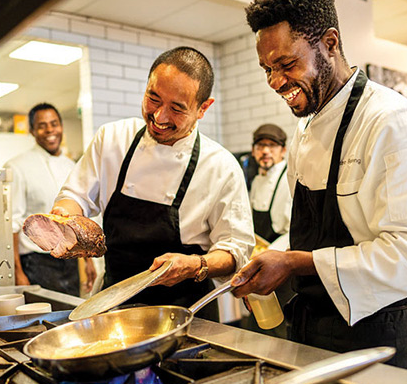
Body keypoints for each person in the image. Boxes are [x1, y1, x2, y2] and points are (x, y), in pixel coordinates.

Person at [232, 0, 407, 371]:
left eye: (286, 64)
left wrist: (296, 264)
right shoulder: (303, 130)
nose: (275, 82)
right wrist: (273, 266)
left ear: (330, 44)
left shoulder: (389, 121)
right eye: (267, 69)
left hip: (377, 336)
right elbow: (311, 234)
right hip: (311, 328)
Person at [51, 47, 254, 320]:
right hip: (114, 309)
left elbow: (235, 250)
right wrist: (63, 218)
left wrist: (195, 265)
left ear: (203, 108)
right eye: (153, 98)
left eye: (177, 108)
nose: (159, 117)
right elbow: (75, 197)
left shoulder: (221, 166)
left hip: (188, 316)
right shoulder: (112, 139)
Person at [5, 103, 96, 295]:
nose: (49, 130)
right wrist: (18, 272)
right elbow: (12, 224)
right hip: (36, 262)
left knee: (71, 310)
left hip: (70, 261)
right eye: (42, 125)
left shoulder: (71, 165)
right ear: (32, 131)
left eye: (54, 124)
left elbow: (78, 218)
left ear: (61, 126)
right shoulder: (17, 167)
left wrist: (88, 261)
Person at [249, 123, 291, 243]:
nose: (265, 151)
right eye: (260, 145)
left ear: (283, 150)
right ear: (253, 151)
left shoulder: (290, 178)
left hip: (283, 248)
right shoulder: (256, 181)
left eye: (272, 145)